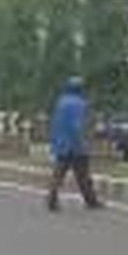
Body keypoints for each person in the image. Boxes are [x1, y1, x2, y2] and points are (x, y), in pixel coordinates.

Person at [46, 77, 103, 212]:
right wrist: (82, 143)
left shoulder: (60, 102)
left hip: (61, 144)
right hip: (76, 145)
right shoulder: (80, 104)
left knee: (58, 174)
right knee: (83, 175)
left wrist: (54, 141)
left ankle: (52, 199)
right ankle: (91, 201)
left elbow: (54, 124)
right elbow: (77, 126)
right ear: (80, 89)